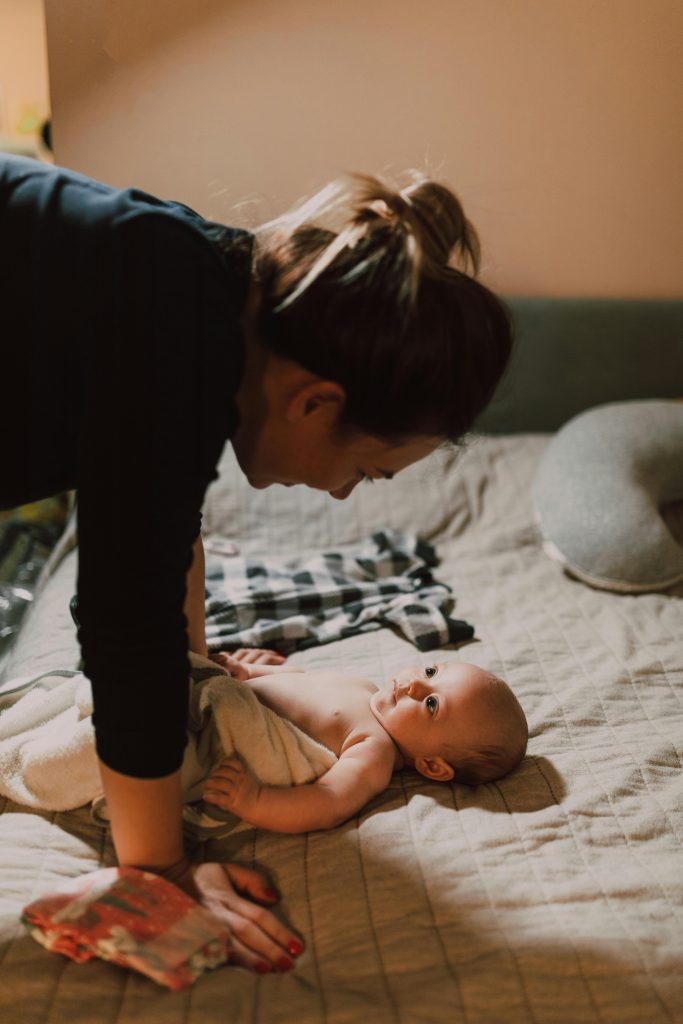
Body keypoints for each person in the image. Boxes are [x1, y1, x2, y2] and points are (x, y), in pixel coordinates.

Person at [1, 153, 513, 973]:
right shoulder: (181, 331)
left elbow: (161, 536)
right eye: (368, 470)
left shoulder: (200, 286)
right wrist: (158, 869)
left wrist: (194, 662)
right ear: (316, 401)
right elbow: (127, 619)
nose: (346, 495)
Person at [202, 656, 529, 832]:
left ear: (432, 765)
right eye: (430, 672)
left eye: (431, 704)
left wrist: (255, 801)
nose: (415, 683)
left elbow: (328, 803)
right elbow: (300, 677)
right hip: (217, 686)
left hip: (210, 727)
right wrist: (247, 669)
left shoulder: (375, 749)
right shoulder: (365, 686)